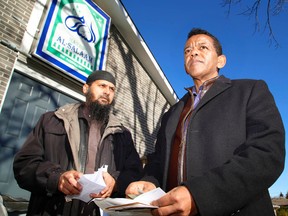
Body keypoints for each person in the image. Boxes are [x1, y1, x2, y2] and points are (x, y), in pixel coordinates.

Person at [126, 28, 285, 216]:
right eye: (187, 51)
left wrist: (200, 195)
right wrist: (150, 181)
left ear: (221, 60)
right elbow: (158, 161)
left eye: (203, 47)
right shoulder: (172, 112)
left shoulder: (250, 90)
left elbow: (267, 154)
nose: (193, 52)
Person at [13, 70, 143, 216]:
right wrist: (56, 178)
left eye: (112, 89)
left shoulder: (122, 135)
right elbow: (24, 165)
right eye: (102, 85)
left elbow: (135, 171)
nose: (107, 92)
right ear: (85, 88)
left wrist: (116, 182)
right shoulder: (53, 121)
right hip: (53, 210)